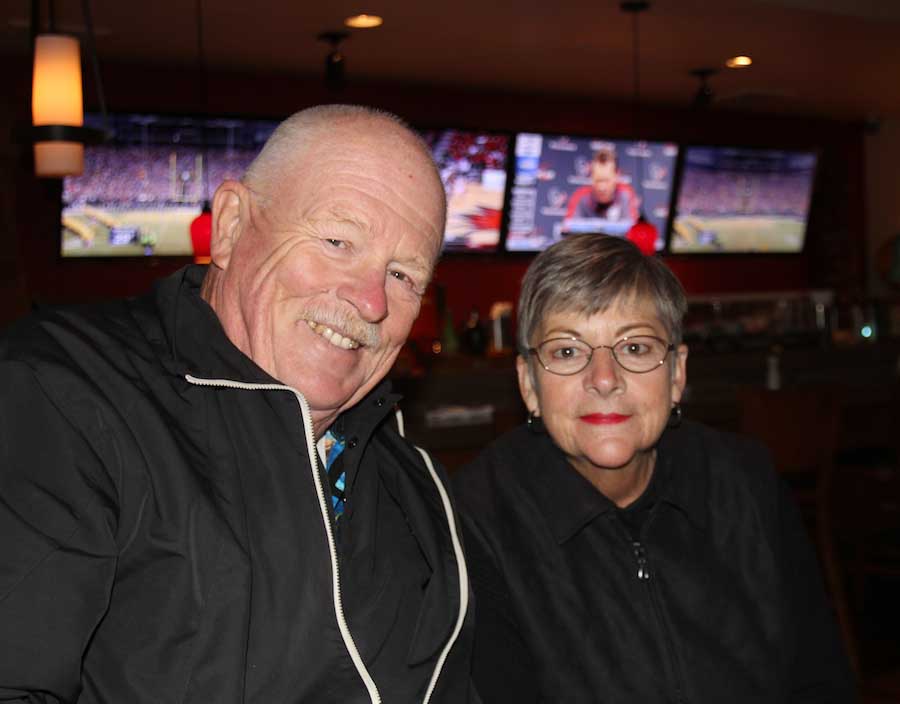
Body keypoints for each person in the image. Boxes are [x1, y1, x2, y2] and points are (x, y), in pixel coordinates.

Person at [0, 105, 476, 703]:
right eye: (336, 240)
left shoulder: (417, 484)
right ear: (229, 227)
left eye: (404, 275)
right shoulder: (63, 394)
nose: (371, 300)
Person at [452, 234, 855, 703]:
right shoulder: (474, 523)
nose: (604, 379)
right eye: (567, 351)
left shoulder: (746, 481)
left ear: (677, 373)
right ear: (529, 384)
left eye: (636, 348)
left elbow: (821, 681)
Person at [564, 146, 639, 224]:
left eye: (606, 181)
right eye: (598, 180)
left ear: (617, 176)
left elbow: (633, 230)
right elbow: (568, 230)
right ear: (591, 177)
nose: (602, 188)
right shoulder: (580, 196)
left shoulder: (626, 194)